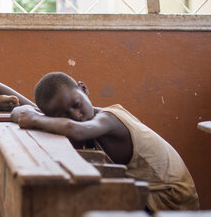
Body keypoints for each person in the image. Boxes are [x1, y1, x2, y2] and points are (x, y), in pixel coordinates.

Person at [10, 71, 199, 212]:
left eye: (76, 105)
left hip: (171, 200)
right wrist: (33, 115)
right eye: (63, 116)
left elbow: (76, 129)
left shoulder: (109, 119)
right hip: (145, 195)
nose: (76, 116)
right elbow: (18, 112)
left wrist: (35, 119)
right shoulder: (82, 124)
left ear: (83, 89)